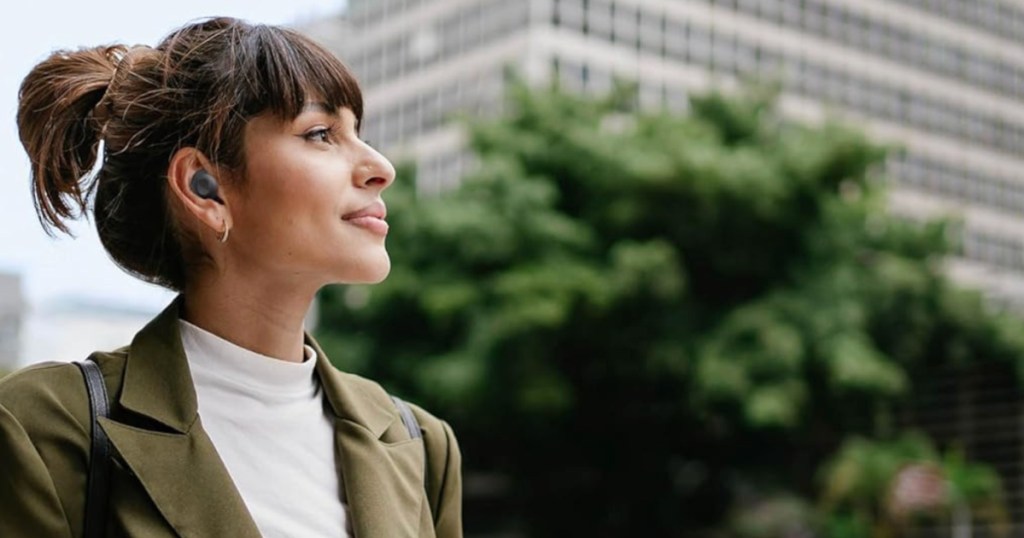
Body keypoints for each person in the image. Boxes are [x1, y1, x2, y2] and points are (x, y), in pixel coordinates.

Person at [0, 16, 462, 538]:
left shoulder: (420, 444)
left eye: (359, 133)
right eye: (320, 134)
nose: (380, 166)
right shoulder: (45, 429)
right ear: (204, 187)